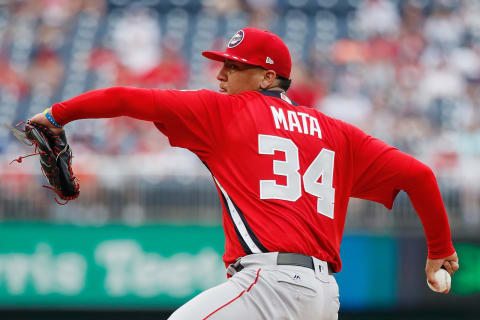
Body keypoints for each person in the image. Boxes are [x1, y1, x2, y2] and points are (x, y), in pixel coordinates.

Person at [30, 28, 459, 320]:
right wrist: (438, 247)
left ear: (268, 76)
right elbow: (419, 175)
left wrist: (56, 114)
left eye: (233, 66)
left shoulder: (225, 111)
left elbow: (124, 96)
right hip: (324, 298)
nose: (221, 74)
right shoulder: (340, 134)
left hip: (269, 284)